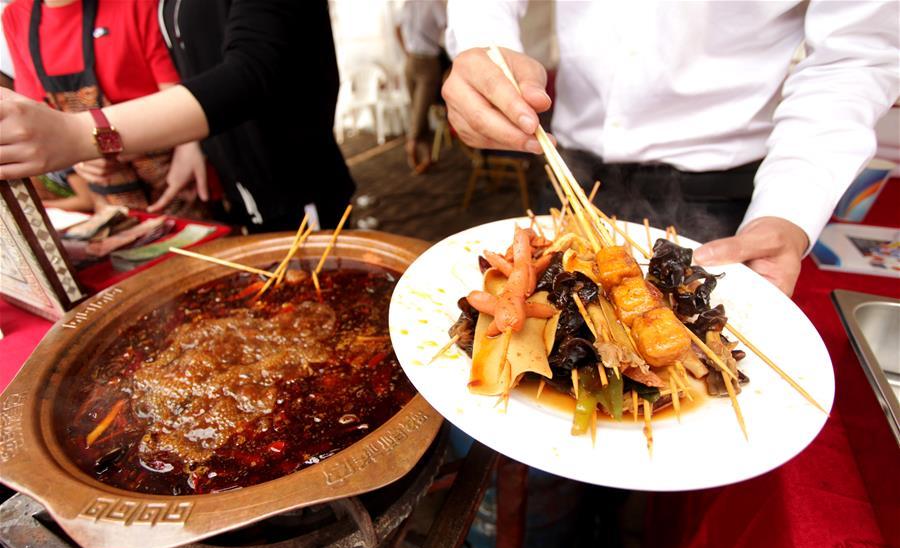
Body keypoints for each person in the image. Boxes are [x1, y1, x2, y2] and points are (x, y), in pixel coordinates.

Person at [441, 1, 900, 295]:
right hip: (569, 168)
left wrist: (791, 207)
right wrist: (486, 48)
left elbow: (854, 58)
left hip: (718, 193)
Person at [0, 0, 355, 232]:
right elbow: (196, 67)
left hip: (293, 183)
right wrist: (193, 144)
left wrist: (80, 134)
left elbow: (253, 71)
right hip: (233, 187)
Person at [2, 0, 205, 212]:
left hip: (173, 168)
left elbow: (179, 93)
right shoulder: (16, 16)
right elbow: (39, 116)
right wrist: (79, 159)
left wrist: (190, 147)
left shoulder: (135, 4)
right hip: (107, 191)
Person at [395, 0, 447, 173]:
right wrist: (406, 50)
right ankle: (426, 156)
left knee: (420, 110)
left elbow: (447, 27)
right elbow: (396, 28)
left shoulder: (434, 3)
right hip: (411, 62)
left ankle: (411, 143)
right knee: (418, 111)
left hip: (428, 63)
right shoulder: (407, 4)